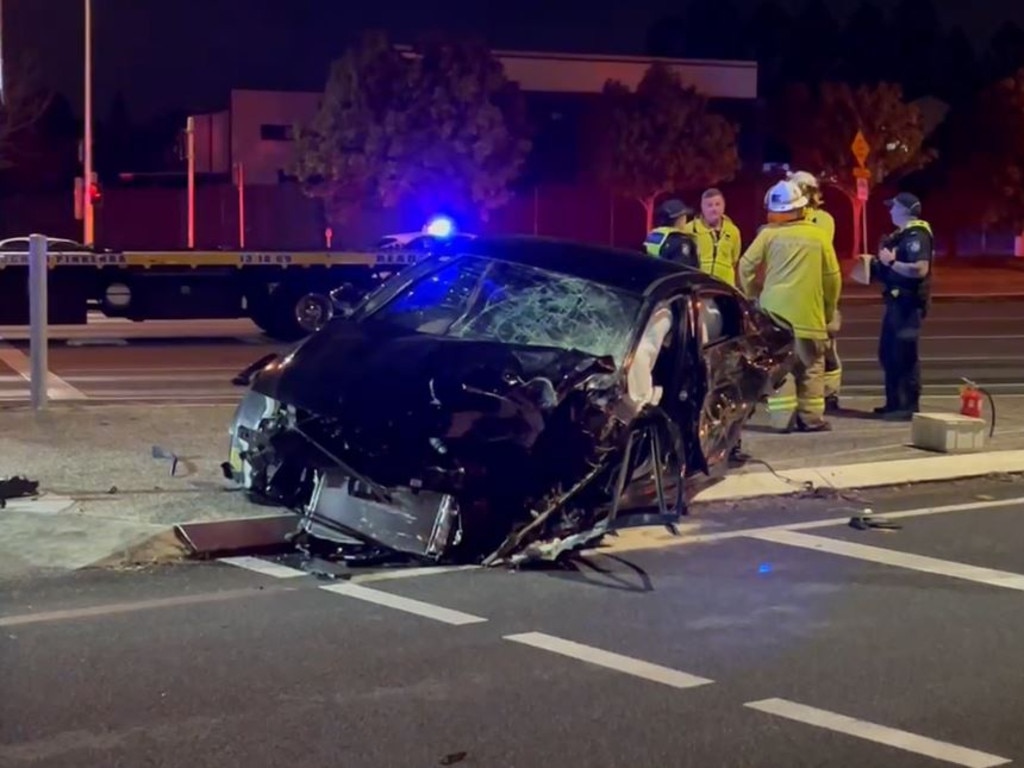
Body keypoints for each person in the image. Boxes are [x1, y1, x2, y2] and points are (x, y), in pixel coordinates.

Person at [738, 179, 842, 432]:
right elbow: (832, 278)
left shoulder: (768, 235)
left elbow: (745, 266)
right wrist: (828, 311)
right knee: (811, 369)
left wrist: (754, 297)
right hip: (810, 317)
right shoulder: (818, 236)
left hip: (774, 316)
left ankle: (782, 420)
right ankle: (811, 419)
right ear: (802, 207)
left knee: (780, 368)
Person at [865, 192, 934, 421]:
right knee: (888, 353)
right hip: (895, 302)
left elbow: (920, 269)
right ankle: (893, 402)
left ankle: (907, 406)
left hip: (908, 305)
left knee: (904, 355)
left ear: (904, 210)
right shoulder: (902, 235)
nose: (890, 211)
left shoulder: (917, 235)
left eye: (893, 207)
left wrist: (892, 262)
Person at [788, 170, 843, 412]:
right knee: (796, 350)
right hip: (795, 294)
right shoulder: (785, 220)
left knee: (826, 350)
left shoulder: (822, 220)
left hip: (817, 295)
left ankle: (829, 394)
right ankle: (801, 400)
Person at [684, 188, 743, 287]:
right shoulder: (689, 229)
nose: (714, 209)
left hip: (725, 288)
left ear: (724, 206)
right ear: (702, 207)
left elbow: (734, 260)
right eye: (709, 205)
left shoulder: (733, 231)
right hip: (699, 286)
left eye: (717, 204)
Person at [643, 199, 699, 267]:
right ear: (679, 219)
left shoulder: (654, 235)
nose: (685, 219)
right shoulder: (681, 241)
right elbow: (682, 269)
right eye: (684, 216)